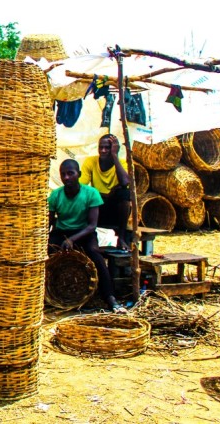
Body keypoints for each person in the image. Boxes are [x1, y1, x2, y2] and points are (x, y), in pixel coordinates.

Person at [49, 159, 125, 313]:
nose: (66, 177)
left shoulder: (91, 193)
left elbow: (92, 225)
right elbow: (49, 223)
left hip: (84, 233)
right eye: (63, 174)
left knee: (96, 255)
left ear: (79, 174)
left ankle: (111, 298)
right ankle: (45, 295)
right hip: (62, 233)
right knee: (44, 254)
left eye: (71, 173)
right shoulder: (55, 195)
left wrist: (72, 240)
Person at [80, 133, 132, 249]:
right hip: (97, 208)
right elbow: (81, 186)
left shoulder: (122, 163)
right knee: (86, 196)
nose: (103, 151)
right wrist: (106, 194)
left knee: (124, 193)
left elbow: (124, 182)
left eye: (107, 148)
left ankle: (121, 237)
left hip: (115, 211)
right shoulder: (91, 162)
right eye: (100, 147)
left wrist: (115, 156)